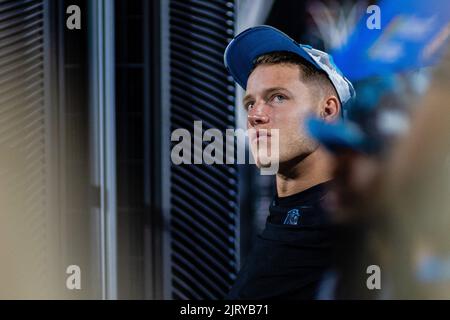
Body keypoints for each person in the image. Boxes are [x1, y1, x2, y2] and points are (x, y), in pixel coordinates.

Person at [223, 25, 355, 299]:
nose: (255, 116)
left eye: (278, 97)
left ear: (327, 111)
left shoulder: (349, 234)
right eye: (250, 103)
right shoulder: (288, 216)